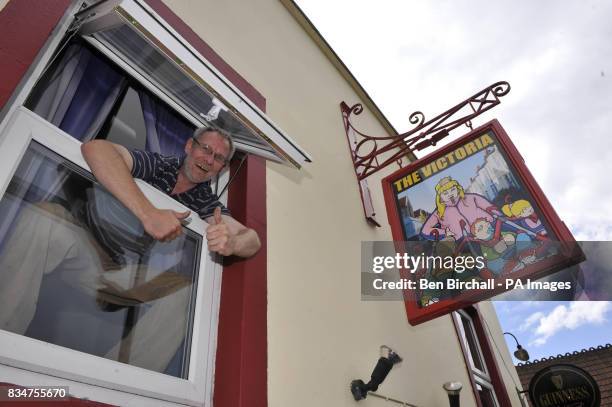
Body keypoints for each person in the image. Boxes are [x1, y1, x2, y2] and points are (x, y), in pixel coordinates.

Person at [420, 176, 498, 241]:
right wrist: (445, 233)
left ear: (458, 189)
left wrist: (498, 217)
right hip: (466, 243)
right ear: (440, 198)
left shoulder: (470, 198)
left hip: (490, 229)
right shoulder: (439, 212)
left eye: (453, 190)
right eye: (445, 193)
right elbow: (425, 231)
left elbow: (490, 207)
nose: (450, 194)